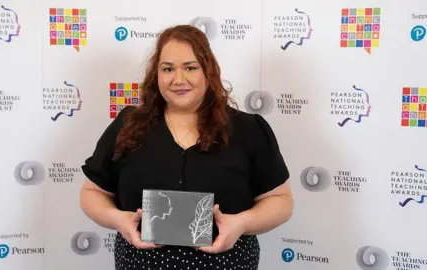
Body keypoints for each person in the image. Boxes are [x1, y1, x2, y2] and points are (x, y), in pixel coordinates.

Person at [79, 24, 293, 270]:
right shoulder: (128, 126)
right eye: (168, 69)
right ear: (156, 74)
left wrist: (242, 223)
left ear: (207, 72)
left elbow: (280, 200)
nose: (178, 79)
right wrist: (119, 219)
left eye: (190, 68)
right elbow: (92, 193)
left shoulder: (248, 129)